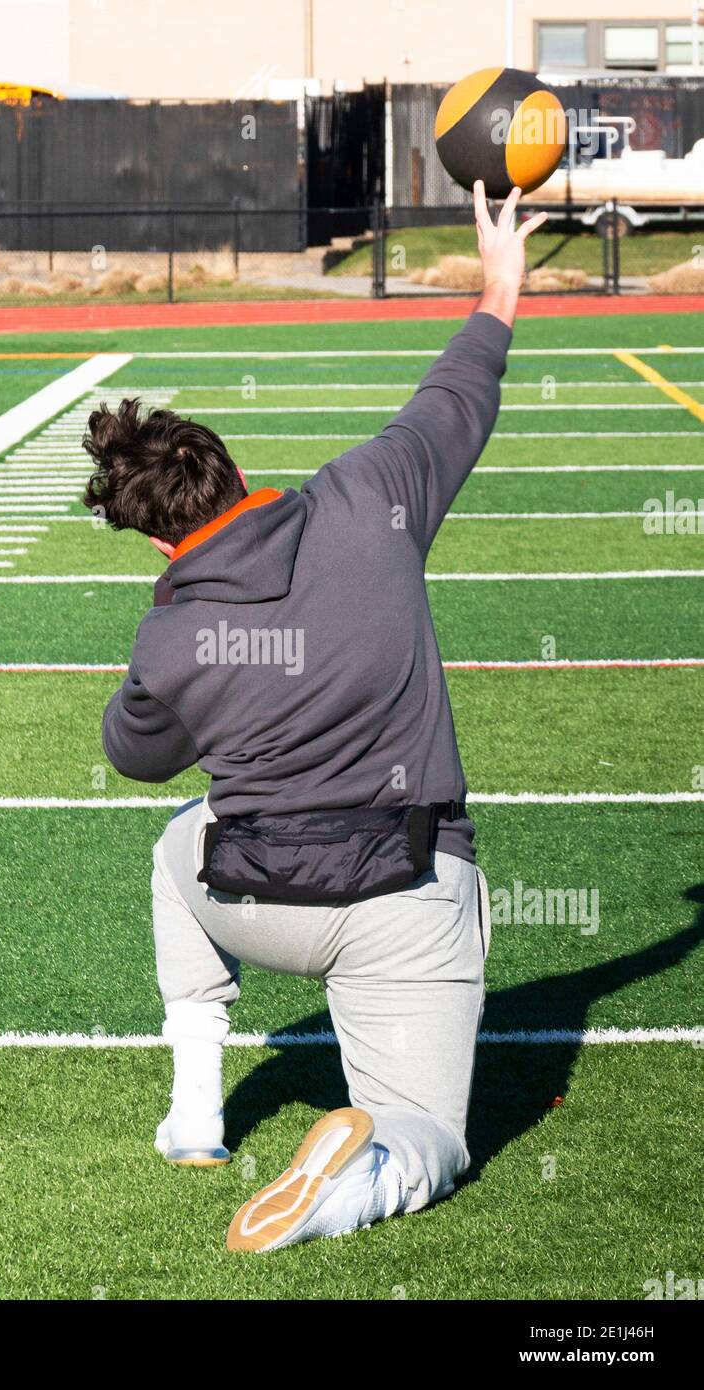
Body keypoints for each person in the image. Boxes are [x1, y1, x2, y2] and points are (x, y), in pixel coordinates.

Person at [84, 183, 547, 1252]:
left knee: (171, 854)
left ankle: (197, 1112)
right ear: (239, 471)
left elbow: (134, 758)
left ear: (160, 541)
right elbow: (457, 395)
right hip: (404, 892)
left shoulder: (174, 635)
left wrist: (176, 635)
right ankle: (360, 1177)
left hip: (263, 894)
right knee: (428, 1129)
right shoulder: (371, 493)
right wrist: (499, 285)